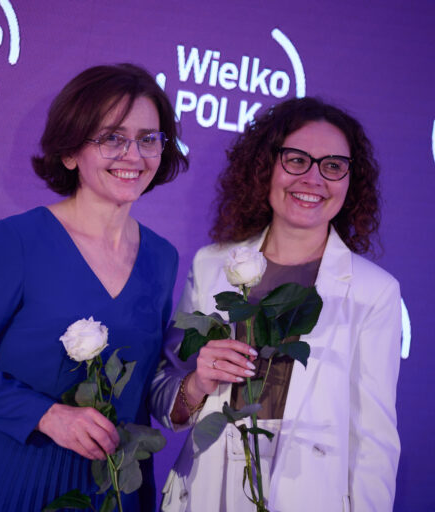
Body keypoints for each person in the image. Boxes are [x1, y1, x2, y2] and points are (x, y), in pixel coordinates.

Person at [0, 63, 187, 511]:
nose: (133, 155)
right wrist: (47, 416)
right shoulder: (18, 241)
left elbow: (144, 390)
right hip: (15, 486)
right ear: (69, 152)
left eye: (148, 138)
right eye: (112, 138)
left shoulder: (163, 258)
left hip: (114, 493)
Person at [151, 97, 401, 511]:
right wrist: (196, 384)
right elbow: (163, 392)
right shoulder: (211, 265)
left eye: (333, 165)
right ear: (266, 167)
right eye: (297, 160)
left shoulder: (374, 292)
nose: (314, 179)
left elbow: (373, 441)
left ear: (350, 180)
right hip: (208, 488)